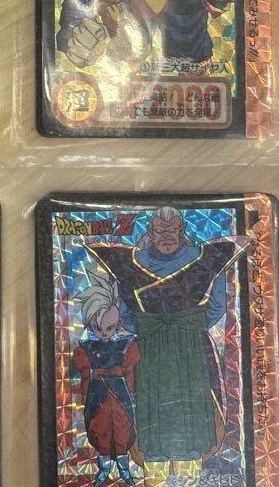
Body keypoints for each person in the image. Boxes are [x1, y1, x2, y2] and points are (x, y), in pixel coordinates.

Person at [87, 208, 243, 486]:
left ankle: (188, 477)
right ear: (151, 232)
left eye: (173, 230)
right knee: (151, 414)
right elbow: (124, 311)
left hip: (189, 347)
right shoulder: (130, 262)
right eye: (160, 230)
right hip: (150, 348)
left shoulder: (206, 258)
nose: (167, 236)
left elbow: (217, 306)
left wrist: (188, 327)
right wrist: (149, 328)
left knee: (191, 417)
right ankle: (155, 476)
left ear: (182, 230)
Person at [74, 272, 141, 485]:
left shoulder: (126, 343)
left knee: (122, 427)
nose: (104, 333)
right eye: (97, 327)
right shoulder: (87, 346)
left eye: (109, 327)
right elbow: (85, 374)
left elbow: (130, 371)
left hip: (120, 392)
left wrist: (132, 390)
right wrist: (85, 392)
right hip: (98, 393)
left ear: (118, 322)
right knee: (100, 427)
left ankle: (123, 468)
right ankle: (104, 469)